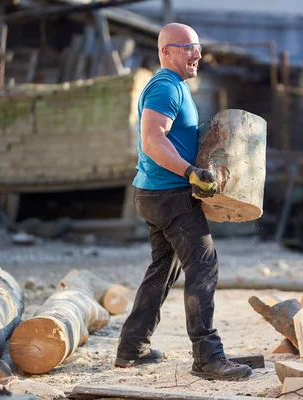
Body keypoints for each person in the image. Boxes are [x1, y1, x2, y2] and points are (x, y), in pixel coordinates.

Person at [114, 23, 252, 381]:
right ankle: (208, 357)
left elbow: (172, 136)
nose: (198, 54)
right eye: (189, 47)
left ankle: (132, 349)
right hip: (169, 194)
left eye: (199, 46)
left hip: (154, 193)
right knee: (204, 265)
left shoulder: (175, 87)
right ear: (166, 52)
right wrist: (190, 171)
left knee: (163, 269)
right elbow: (152, 140)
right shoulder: (164, 86)